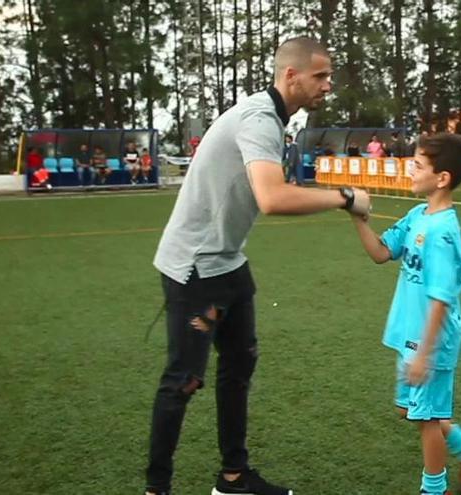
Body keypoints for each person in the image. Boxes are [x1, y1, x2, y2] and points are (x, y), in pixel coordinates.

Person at [145, 37, 371, 495]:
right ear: (292, 75)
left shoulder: (272, 117)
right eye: (321, 76)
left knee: (238, 366)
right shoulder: (259, 118)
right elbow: (272, 197)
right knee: (184, 380)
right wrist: (345, 197)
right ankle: (156, 489)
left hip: (227, 265)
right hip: (194, 268)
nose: (329, 85)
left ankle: (233, 478)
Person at [348, 133, 461, 495]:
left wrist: (425, 354)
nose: (409, 171)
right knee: (410, 410)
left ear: (442, 178)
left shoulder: (443, 232)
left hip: (431, 340)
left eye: (417, 165)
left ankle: (435, 489)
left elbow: (441, 300)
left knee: (426, 418)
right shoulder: (419, 215)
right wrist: (358, 219)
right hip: (411, 333)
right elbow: (383, 252)